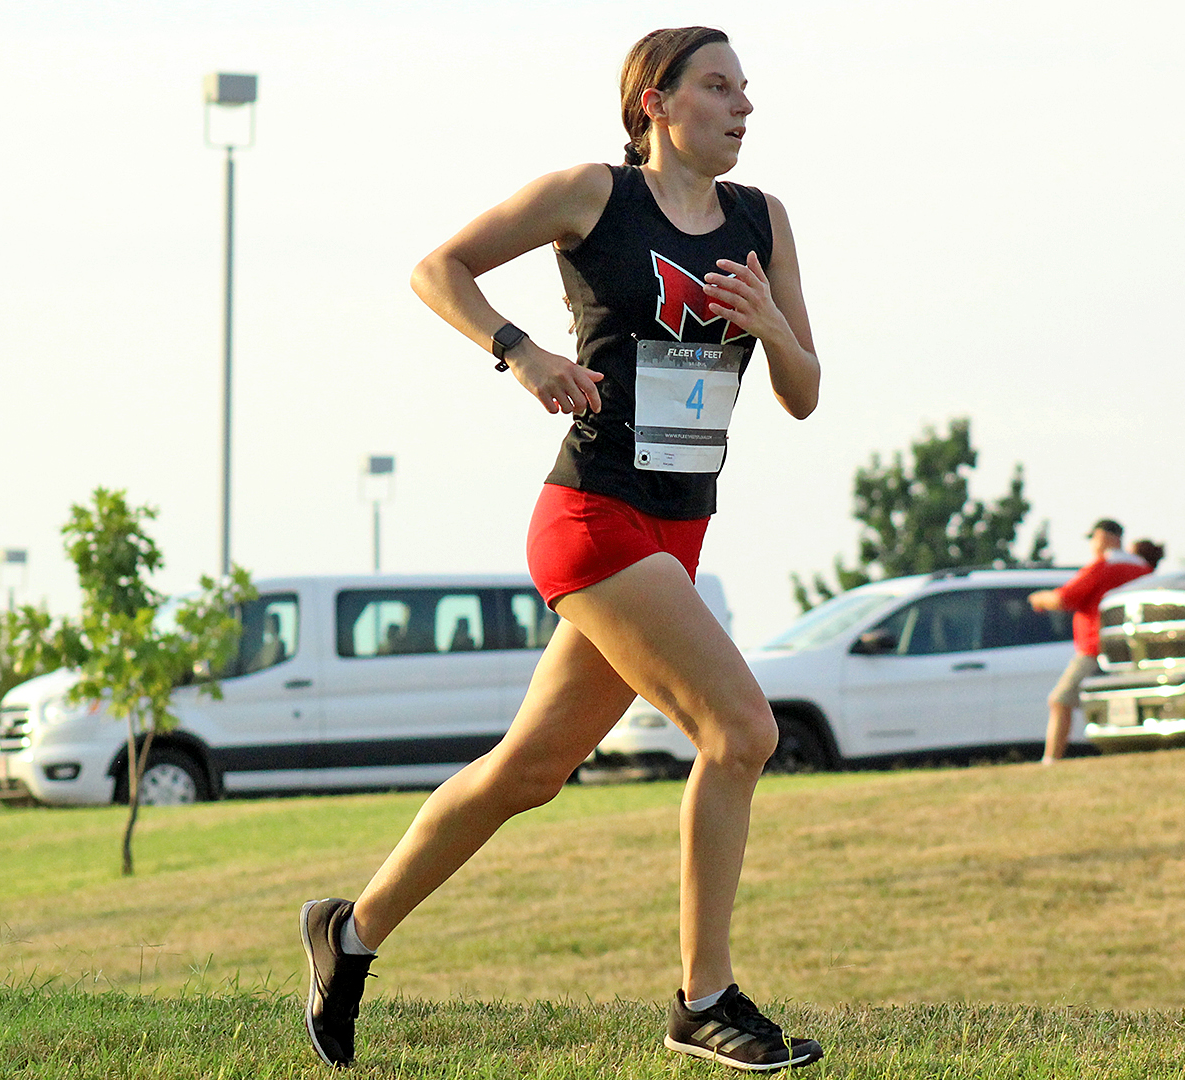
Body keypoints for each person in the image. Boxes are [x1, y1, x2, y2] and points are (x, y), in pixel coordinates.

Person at [298, 27, 824, 1073]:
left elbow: (804, 394)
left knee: (529, 770)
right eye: (719, 86)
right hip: (591, 517)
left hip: (678, 529)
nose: (743, 105)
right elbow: (435, 269)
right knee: (741, 730)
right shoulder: (591, 195)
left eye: (746, 89)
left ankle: (347, 935)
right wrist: (521, 351)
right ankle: (703, 997)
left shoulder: (763, 221)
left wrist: (768, 321)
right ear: (654, 103)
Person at [1027, 519, 1152, 761]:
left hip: (1096, 647)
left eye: (1093, 538)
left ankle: (1051, 759)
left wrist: (1039, 599)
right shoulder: (1142, 568)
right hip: (1134, 646)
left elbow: (1064, 598)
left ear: (1105, 537)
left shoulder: (1104, 566)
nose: (1092, 545)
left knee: (1059, 701)